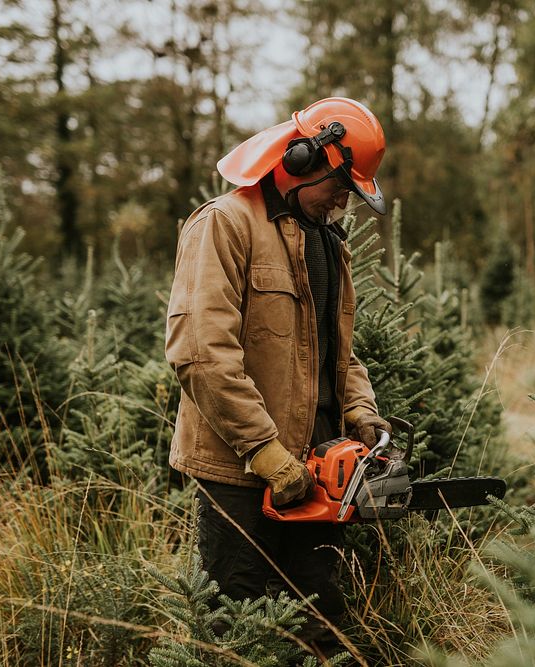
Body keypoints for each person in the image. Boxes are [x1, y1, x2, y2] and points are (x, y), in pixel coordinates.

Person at [164, 97, 392, 656]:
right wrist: (265, 452)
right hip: (241, 472)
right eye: (341, 184)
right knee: (234, 627)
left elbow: (340, 351)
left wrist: (361, 414)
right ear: (302, 158)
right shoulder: (225, 224)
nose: (345, 200)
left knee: (321, 624)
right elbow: (201, 352)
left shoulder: (325, 240)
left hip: (316, 469)